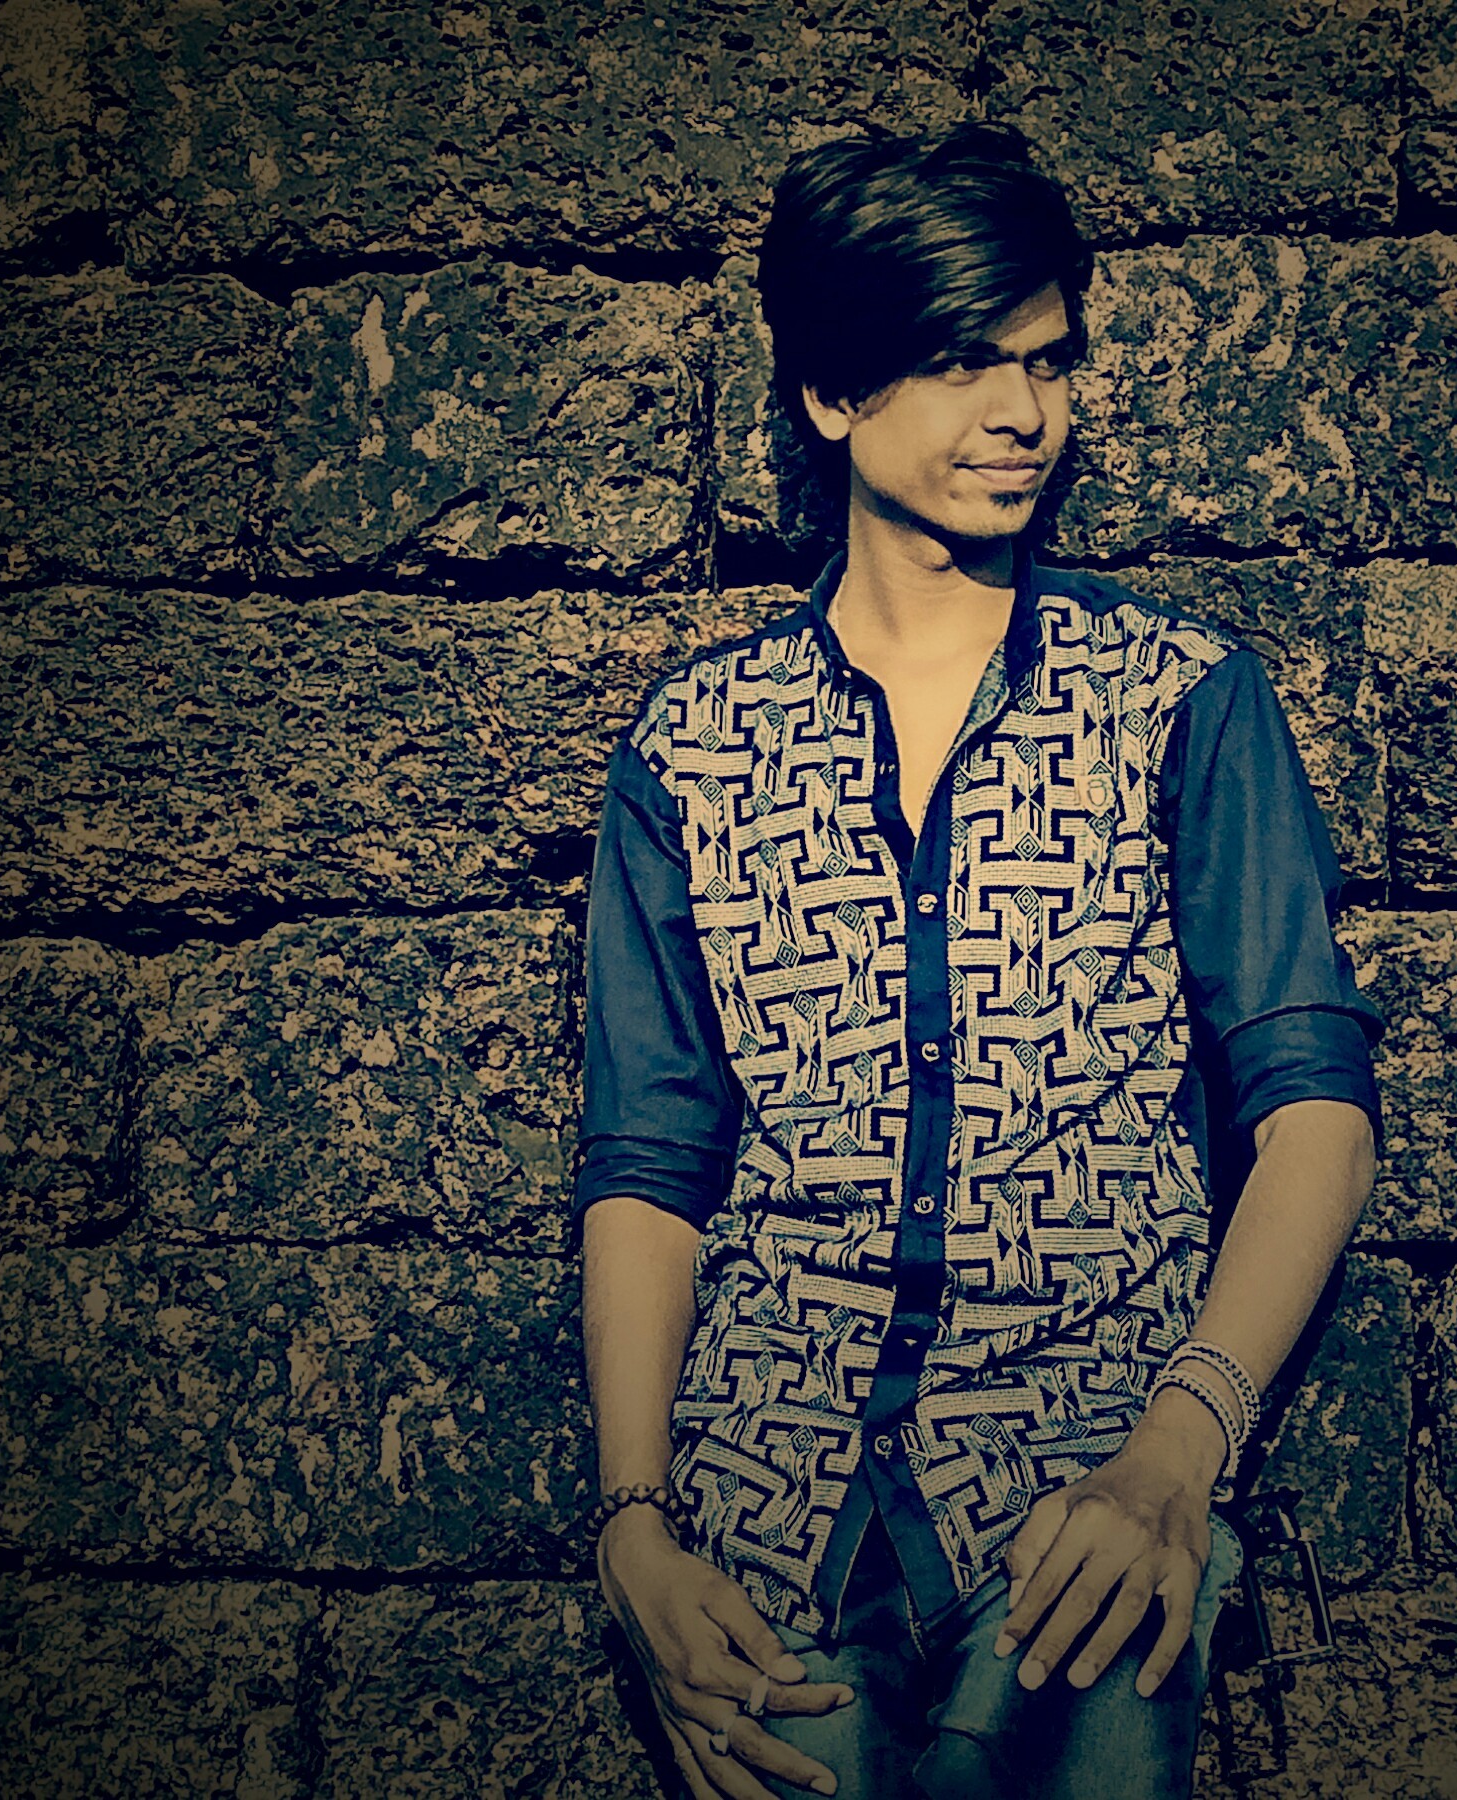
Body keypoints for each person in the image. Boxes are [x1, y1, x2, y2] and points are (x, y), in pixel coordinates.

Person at [575, 121, 1382, 1800]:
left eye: (1049, 359)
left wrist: (1179, 1454)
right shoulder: (691, 748)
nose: (1025, 412)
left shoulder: (1179, 701)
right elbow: (652, 1161)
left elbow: (1313, 1109)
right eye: (962, 361)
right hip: (761, 1531)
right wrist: (634, 1528)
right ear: (830, 394)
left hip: (1083, 1513)